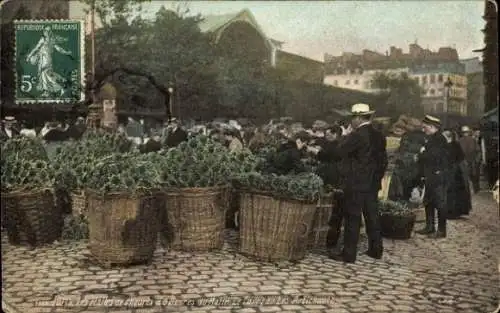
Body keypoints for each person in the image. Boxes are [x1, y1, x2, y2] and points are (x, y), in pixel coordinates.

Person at [328, 103, 387, 263]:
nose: (351, 121)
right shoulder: (379, 135)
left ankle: (348, 254)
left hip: (355, 183)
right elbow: (383, 162)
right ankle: (376, 250)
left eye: (353, 117)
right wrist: (376, 178)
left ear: (359, 118)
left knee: (352, 218)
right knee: (372, 216)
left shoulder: (356, 135)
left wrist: (346, 135)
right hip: (372, 183)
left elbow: (339, 151)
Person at [415, 115, 449, 238]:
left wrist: (422, 153)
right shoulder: (432, 139)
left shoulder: (439, 139)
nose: (424, 130)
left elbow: (433, 157)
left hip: (438, 176)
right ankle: (429, 227)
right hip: (431, 175)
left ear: (432, 126)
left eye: (425, 128)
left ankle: (441, 230)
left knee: (440, 203)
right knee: (428, 201)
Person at [444, 130, 472, 219]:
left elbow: (457, 158)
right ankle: (451, 212)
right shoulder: (452, 145)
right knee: (451, 193)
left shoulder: (453, 145)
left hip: (454, 173)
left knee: (453, 193)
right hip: (454, 171)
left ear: (448, 137)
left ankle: (453, 212)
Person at [459, 125, 481, 193]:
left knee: (471, 176)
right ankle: (472, 189)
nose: (465, 133)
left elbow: (478, 151)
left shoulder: (471, 140)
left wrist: (477, 160)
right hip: (467, 161)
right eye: (464, 132)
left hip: (469, 161)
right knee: (468, 176)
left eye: (466, 132)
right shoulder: (461, 140)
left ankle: (473, 189)